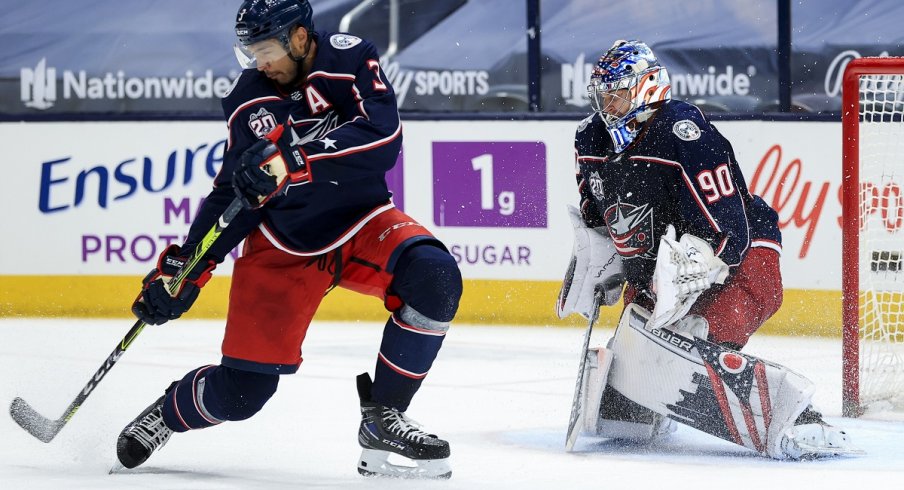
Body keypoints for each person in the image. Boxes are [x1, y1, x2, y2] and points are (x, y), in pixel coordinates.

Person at [115, 0, 460, 479]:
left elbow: (384, 138)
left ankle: (384, 416)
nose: (260, 63)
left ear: (300, 37)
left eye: (267, 49)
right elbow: (230, 195)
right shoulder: (248, 99)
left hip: (364, 221)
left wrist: (296, 159)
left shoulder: (350, 58)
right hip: (284, 246)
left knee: (435, 277)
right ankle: (169, 411)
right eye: (250, 52)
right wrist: (184, 269)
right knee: (241, 394)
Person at [557, 40, 855, 458]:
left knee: (702, 330)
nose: (607, 104)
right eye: (602, 94)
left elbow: (729, 224)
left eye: (617, 93)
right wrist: (601, 262)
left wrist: (693, 271)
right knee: (645, 349)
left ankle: (797, 418)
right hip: (659, 268)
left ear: (645, 87)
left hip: (738, 252)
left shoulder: (682, 129)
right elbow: (597, 215)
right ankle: (640, 400)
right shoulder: (590, 138)